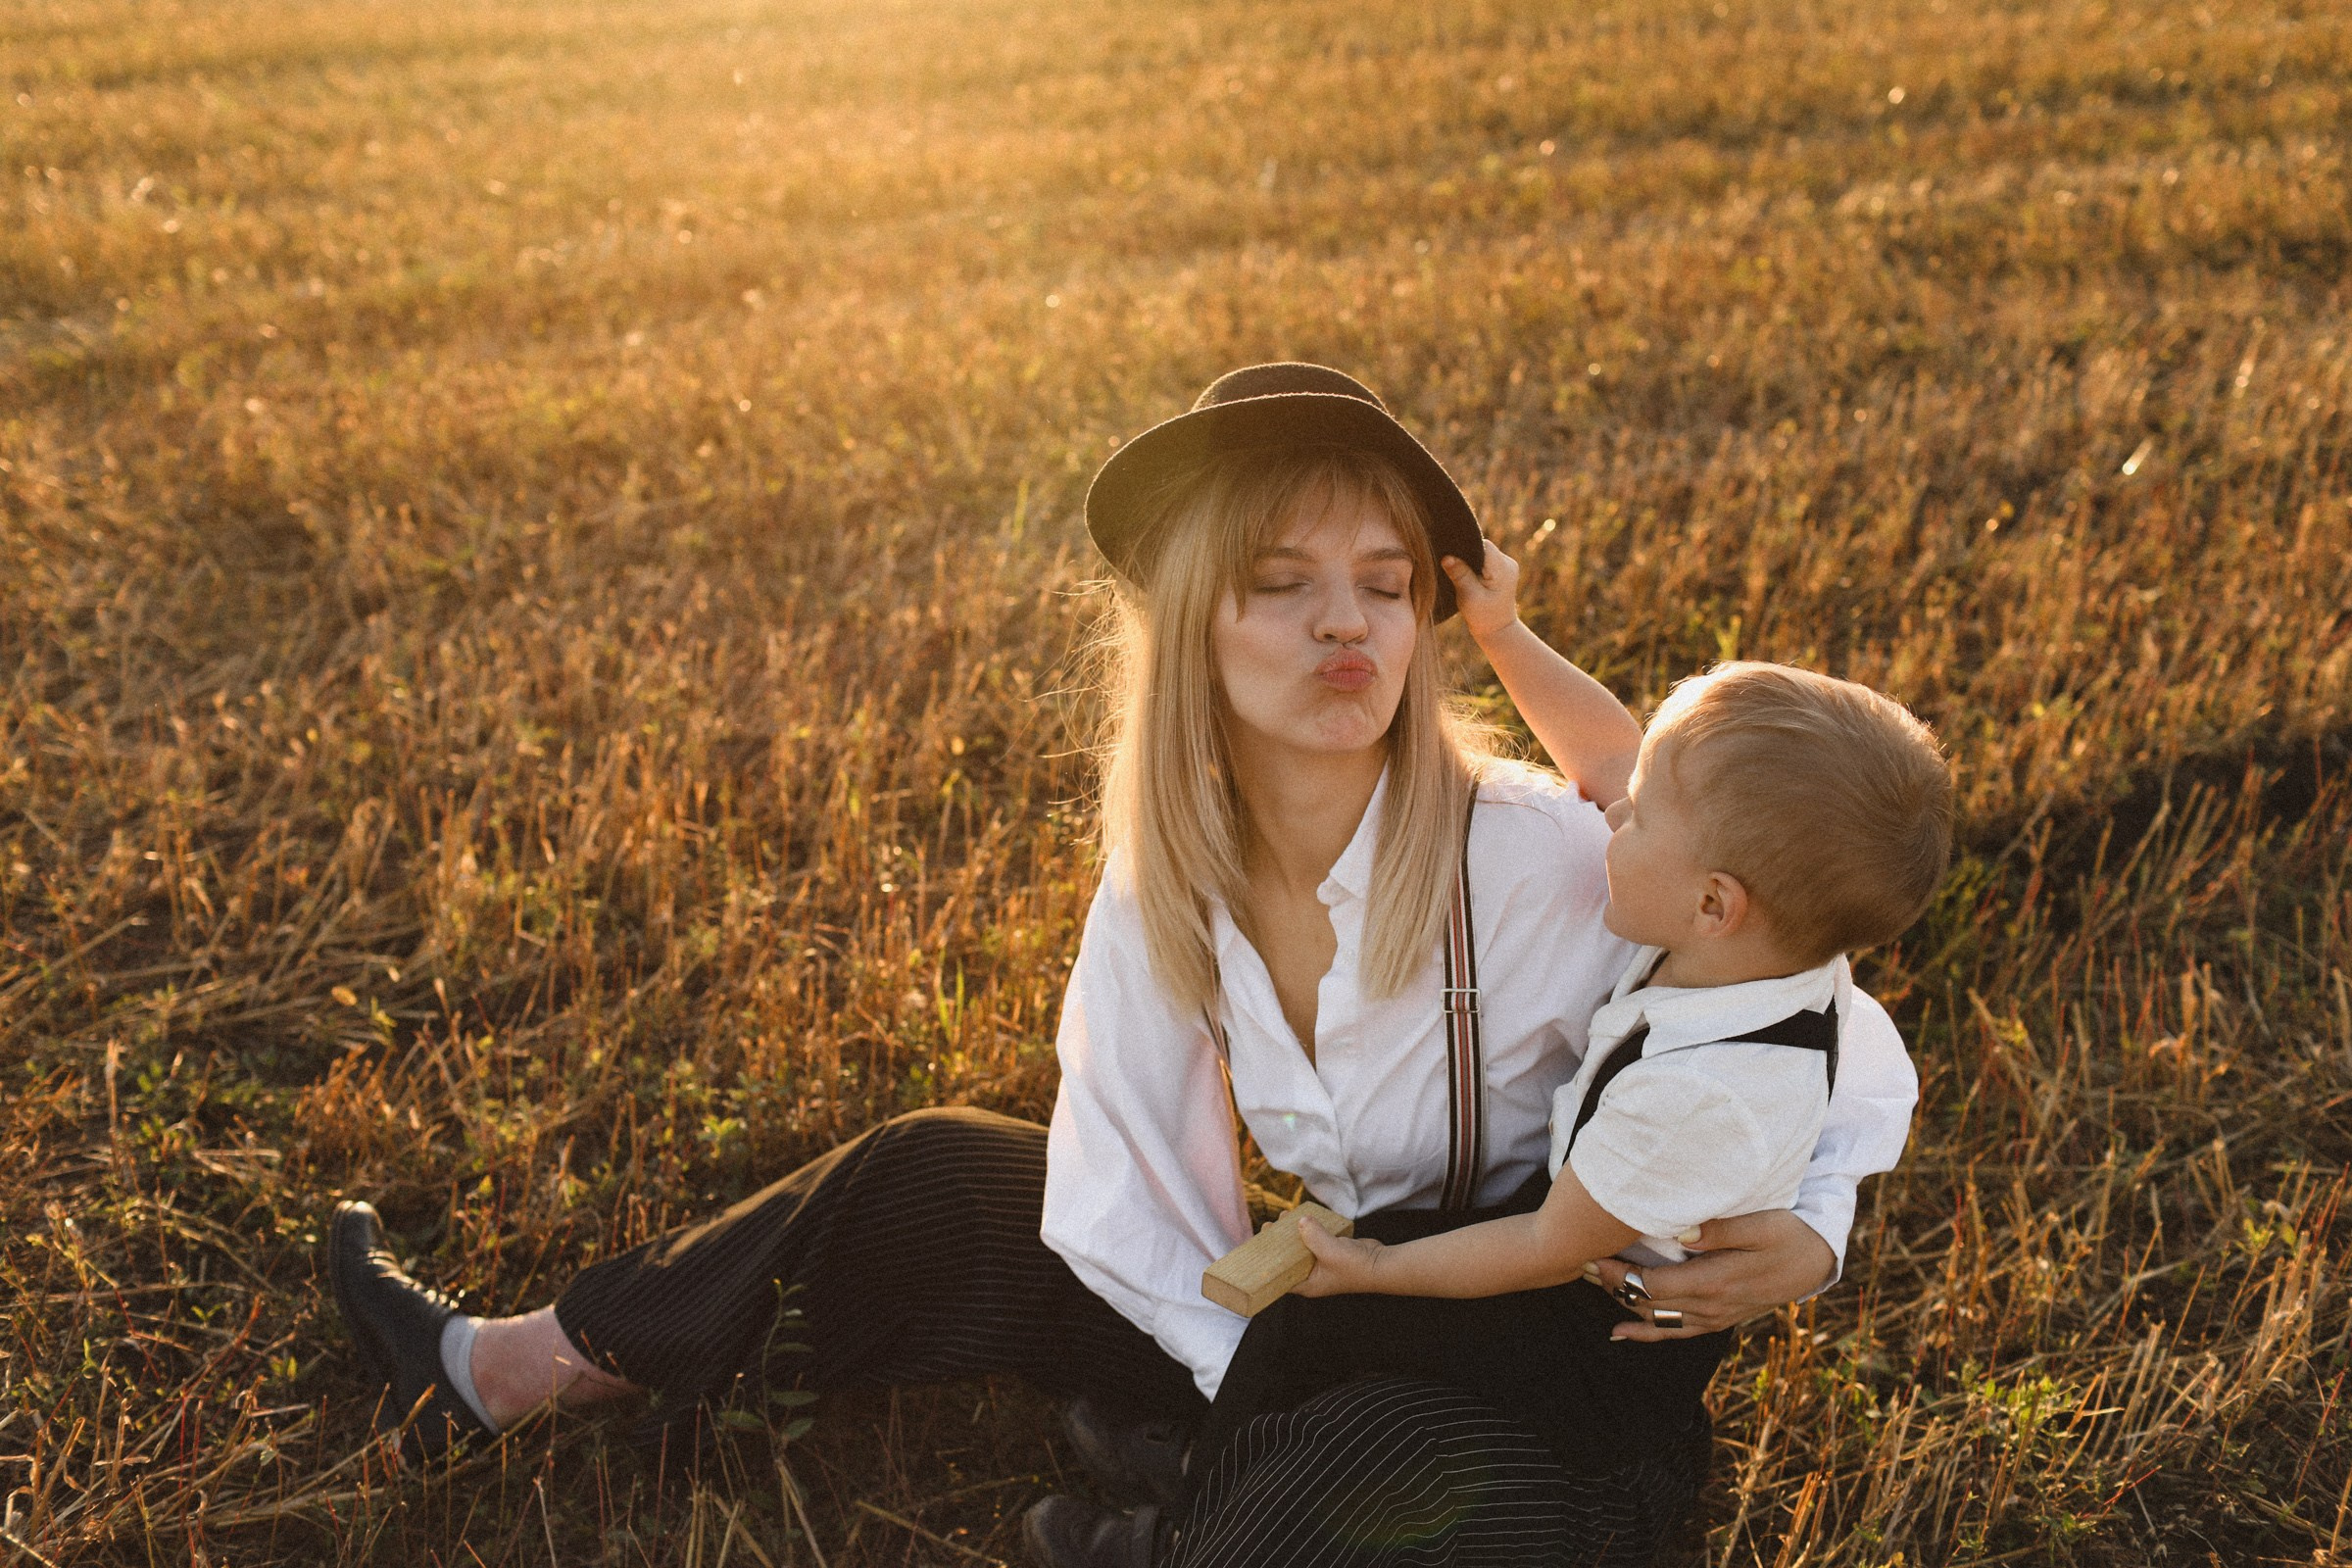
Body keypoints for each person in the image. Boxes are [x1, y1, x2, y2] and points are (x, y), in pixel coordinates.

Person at [325, 363, 1919, 1568]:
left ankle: (1215, 1499)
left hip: (1531, 1416)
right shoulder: (1171, 884)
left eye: (1378, 582)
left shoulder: (1544, 855)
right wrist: (1257, 1366)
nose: (1342, 627)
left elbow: (1805, 1018)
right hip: (1324, 1316)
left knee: (1388, 1472)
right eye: (1280, 584)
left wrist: (1821, 1231)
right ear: (1194, 624)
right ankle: (517, 1371)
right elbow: (1117, 1180)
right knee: (938, 1172)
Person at [1202, 650, 1949, 1476]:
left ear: (1713, 903)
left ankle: (1199, 1502)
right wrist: (1502, 628)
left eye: (1644, 815)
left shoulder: (1697, 1095)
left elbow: (1545, 1245)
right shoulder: (1769, 957)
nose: (1613, 811)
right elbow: (1602, 757)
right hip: (1585, 1243)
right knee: (1351, 1319)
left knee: (1318, 1326)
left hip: (1594, 1332)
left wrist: (1378, 1268)